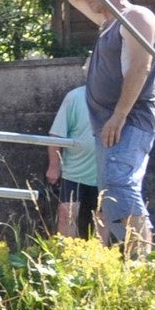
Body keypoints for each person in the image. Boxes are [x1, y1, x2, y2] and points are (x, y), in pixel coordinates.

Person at [67, 0, 155, 258]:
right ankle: (130, 256)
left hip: (128, 120)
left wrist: (119, 115)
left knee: (120, 182)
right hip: (108, 123)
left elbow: (139, 67)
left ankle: (140, 259)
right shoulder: (108, 22)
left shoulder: (134, 17)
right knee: (109, 190)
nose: (86, 0)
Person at [45, 83, 101, 239]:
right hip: (74, 170)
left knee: (102, 218)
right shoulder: (75, 97)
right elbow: (56, 135)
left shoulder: (117, 96)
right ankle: (68, 257)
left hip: (106, 171)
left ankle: (102, 260)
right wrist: (54, 167)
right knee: (66, 213)